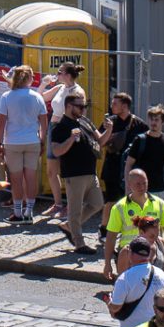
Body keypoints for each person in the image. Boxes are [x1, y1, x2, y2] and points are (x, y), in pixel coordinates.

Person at [50, 91, 104, 254]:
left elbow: (100, 141)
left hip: (90, 172)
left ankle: (68, 226)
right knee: (74, 210)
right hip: (74, 174)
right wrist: (71, 139)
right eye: (79, 106)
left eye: (84, 106)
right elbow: (57, 151)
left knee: (97, 204)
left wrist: (109, 129)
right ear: (68, 106)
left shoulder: (85, 121)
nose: (83, 109)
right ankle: (79, 243)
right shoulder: (61, 127)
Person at [0, 68, 47, 227]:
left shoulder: (7, 97)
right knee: (31, 178)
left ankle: (17, 212)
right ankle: (29, 212)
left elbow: (1, 122)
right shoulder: (37, 97)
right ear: (29, 79)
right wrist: (42, 141)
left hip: (13, 142)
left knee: (16, 179)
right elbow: (44, 123)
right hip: (33, 141)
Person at [107, 237, 164, 327]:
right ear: (149, 254)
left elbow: (116, 307)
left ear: (130, 254)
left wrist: (109, 302)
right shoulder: (160, 274)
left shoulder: (125, 278)